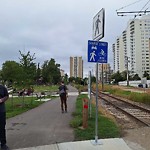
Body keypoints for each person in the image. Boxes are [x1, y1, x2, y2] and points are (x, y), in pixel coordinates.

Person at [0, 83, 9, 150]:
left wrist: (2, 100)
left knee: (2, 127)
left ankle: (3, 144)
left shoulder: (2, 88)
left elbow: (7, 96)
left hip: (1, 111)